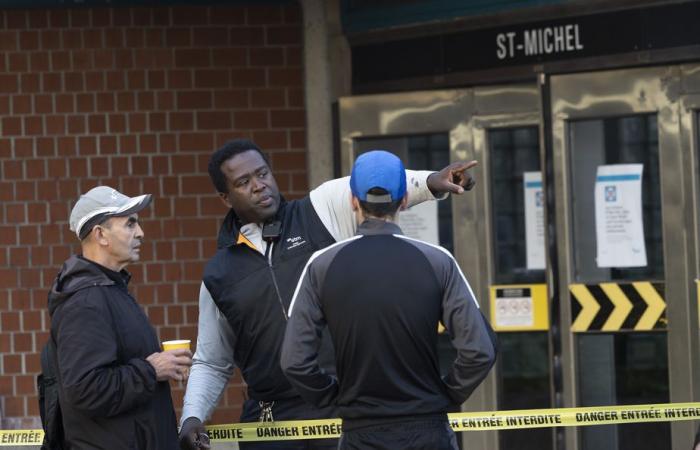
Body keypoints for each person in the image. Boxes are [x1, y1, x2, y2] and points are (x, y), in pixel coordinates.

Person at [179, 139, 477, 450]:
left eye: (263, 173)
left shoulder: (317, 210)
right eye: (244, 182)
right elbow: (212, 361)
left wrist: (432, 182)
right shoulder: (219, 273)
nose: (259, 186)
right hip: (270, 421)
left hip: (344, 410)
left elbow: (363, 185)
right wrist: (192, 417)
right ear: (225, 198)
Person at [280, 150, 497, 450]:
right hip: (429, 431)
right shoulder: (437, 261)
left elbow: (294, 362)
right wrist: (445, 394)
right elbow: (480, 350)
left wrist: (335, 397)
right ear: (405, 200)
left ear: (353, 201)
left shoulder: (322, 265)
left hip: (360, 431)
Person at [47, 186, 192, 449]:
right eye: (130, 224)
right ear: (100, 234)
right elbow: (86, 389)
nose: (141, 233)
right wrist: (151, 370)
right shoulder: (85, 302)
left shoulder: (109, 291)